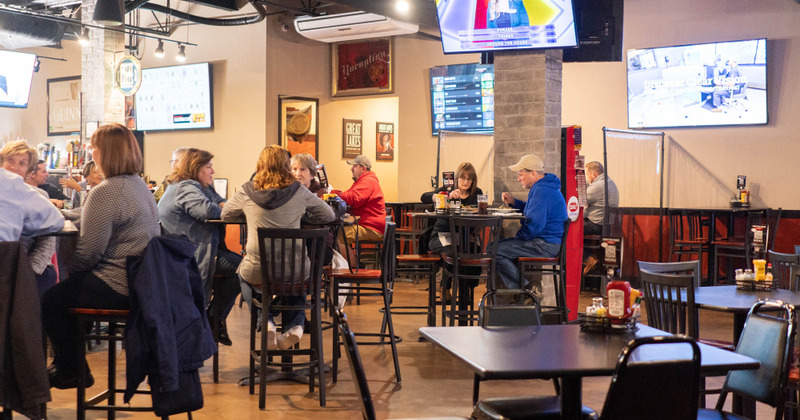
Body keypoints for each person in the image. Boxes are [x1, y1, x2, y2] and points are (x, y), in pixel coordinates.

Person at [42, 123, 160, 389]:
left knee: (50, 299)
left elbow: (88, 254)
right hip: (144, 282)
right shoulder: (138, 185)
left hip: (118, 284)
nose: (90, 152)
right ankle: (71, 366)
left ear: (105, 153)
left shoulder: (105, 191)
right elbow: (90, 217)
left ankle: (72, 369)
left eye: (93, 147)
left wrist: (70, 268)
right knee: (70, 294)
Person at [221, 145, 335, 350]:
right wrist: (303, 213)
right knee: (297, 271)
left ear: (260, 165)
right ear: (286, 166)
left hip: (259, 270)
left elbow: (226, 214)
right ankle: (295, 327)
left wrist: (248, 213)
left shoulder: (248, 190)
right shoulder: (299, 191)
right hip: (296, 271)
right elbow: (329, 215)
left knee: (241, 274)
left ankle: (266, 320)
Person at [158, 148, 242, 346]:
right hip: (189, 255)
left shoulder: (200, 187)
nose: (213, 171)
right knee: (244, 270)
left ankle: (212, 319)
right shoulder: (185, 187)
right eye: (208, 167)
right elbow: (208, 210)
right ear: (196, 168)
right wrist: (224, 207)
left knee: (239, 267)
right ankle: (213, 319)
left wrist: (223, 206)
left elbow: (222, 203)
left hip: (199, 250)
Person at [496, 154, 568, 289]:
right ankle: (523, 292)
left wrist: (518, 240)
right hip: (549, 242)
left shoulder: (542, 190)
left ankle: (527, 290)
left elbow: (534, 224)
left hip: (544, 244)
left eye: (521, 175)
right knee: (498, 247)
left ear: (533, 174)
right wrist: (514, 202)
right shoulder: (544, 187)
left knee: (494, 250)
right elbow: (532, 211)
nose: (518, 179)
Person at [2, 142, 61, 297]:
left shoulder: (39, 196)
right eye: (10, 161)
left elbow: (46, 245)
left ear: (29, 170)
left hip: (31, 266)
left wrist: (26, 273)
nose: (14, 167)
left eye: (22, 163)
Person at [420, 162, 483, 295]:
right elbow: (424, 197)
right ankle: (446, 287)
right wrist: (444, 197)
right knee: (453, 250)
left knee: (473, 249)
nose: (465, 182)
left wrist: (475, 232)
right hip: (441, 235)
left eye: (469, 179)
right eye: (462, 178)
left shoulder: (477, 193)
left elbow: (480, 217)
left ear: (473, 181)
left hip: (465, 236)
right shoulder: (448, 189)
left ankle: (467, 288)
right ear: (457, 179)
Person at [330, 155, 385, 266]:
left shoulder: (367, 181)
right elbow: (350, 195)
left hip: (372, 228)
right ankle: (351, 266)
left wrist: (335, 195)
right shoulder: (364, 181)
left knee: (338, 236)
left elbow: (354, 197)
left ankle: (353, 270)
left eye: (354, 166)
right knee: (337, 233)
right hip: (369, 225)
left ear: (363, 168)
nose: (351, 169)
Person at [584, 161, 619, 236]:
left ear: (593, 175)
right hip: (607, 224)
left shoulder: (598, 185)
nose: (587, 178)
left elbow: (581, 200)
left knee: (572, 227)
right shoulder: (610, 182)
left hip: (595, 224)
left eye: (587, 175)